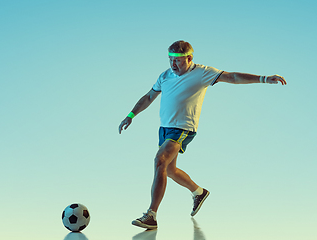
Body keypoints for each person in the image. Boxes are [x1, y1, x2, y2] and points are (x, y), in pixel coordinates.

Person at [118, 40, 287, 230]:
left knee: (160, 161)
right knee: (170, 170)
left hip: (183, 128)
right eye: (170, 60)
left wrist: (264, 78)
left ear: (189, 58)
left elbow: (232, 77)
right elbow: (149, 97)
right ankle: (198, 192)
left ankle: (151, 215)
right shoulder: (164, 76)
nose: (174, 64)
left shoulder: (202, 73)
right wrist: (130, 115)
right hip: (164, 128)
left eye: (179, 60)